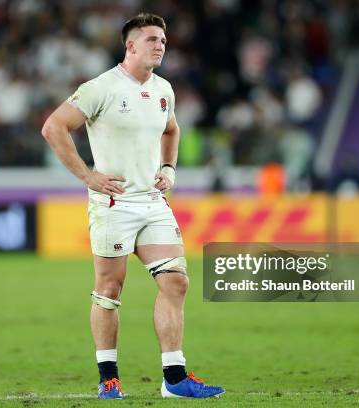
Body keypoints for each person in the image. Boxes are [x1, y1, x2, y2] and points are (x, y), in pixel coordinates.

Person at [42, 13, 224, 399]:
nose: (161, 44)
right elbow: (53, 127)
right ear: (131, 46)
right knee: (110, 288)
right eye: (153, 39)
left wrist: (169, 169)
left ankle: (174, 379)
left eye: (164, 39)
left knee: (176, 281)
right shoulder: (100, 88)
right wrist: (87, 176)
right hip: (114, 203)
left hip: (152, 202)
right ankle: (109, 377)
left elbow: (172, 129)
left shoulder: (163, 90)